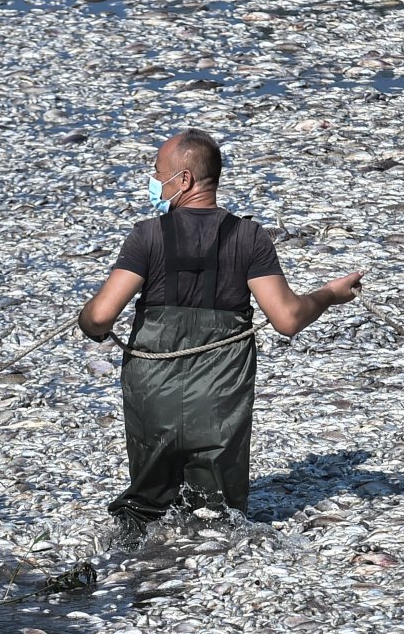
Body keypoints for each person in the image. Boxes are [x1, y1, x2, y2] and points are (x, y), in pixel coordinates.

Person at [78, 129, 364, 536]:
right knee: (216, 521)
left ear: (184, 180)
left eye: (159, 173)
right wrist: (329, 294)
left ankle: (135, 582)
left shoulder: (148, 235)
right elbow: (287, 318)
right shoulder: (248, 237)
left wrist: (85, 319)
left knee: (146, 511)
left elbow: (102, 316)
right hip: (219, 398)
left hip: (152, 395)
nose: (154, 182)